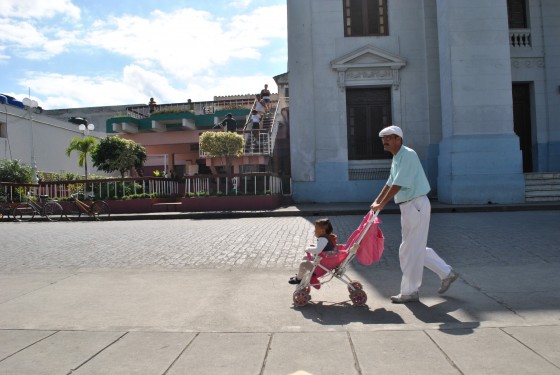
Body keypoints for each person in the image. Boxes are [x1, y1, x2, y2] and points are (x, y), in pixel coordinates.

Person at [370, 125, 459, 303]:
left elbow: (398, 184)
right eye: (383, 138)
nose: (385, 141)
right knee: (413, 247)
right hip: (408, 207)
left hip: (415, 204)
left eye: (389, 137)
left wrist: (382, 204)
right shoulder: (397, 157)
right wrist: (376, 202)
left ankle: (410, 291)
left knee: (409, 250)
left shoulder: (408, 155)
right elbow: (389, 183)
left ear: (399, 139)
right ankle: (446, 272)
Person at [289, 218, 338, 285]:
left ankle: (299, 279)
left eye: (316, 229)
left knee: (303, 264)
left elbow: (318, 250)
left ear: (322, 231)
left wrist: (308, 249)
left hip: (321, 267)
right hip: (324, 263)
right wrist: (314, 246)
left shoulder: (323, 239)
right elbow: (322, 247)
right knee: (305, 258)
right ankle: (301, 276)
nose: (314, 231)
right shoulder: (328, 237)